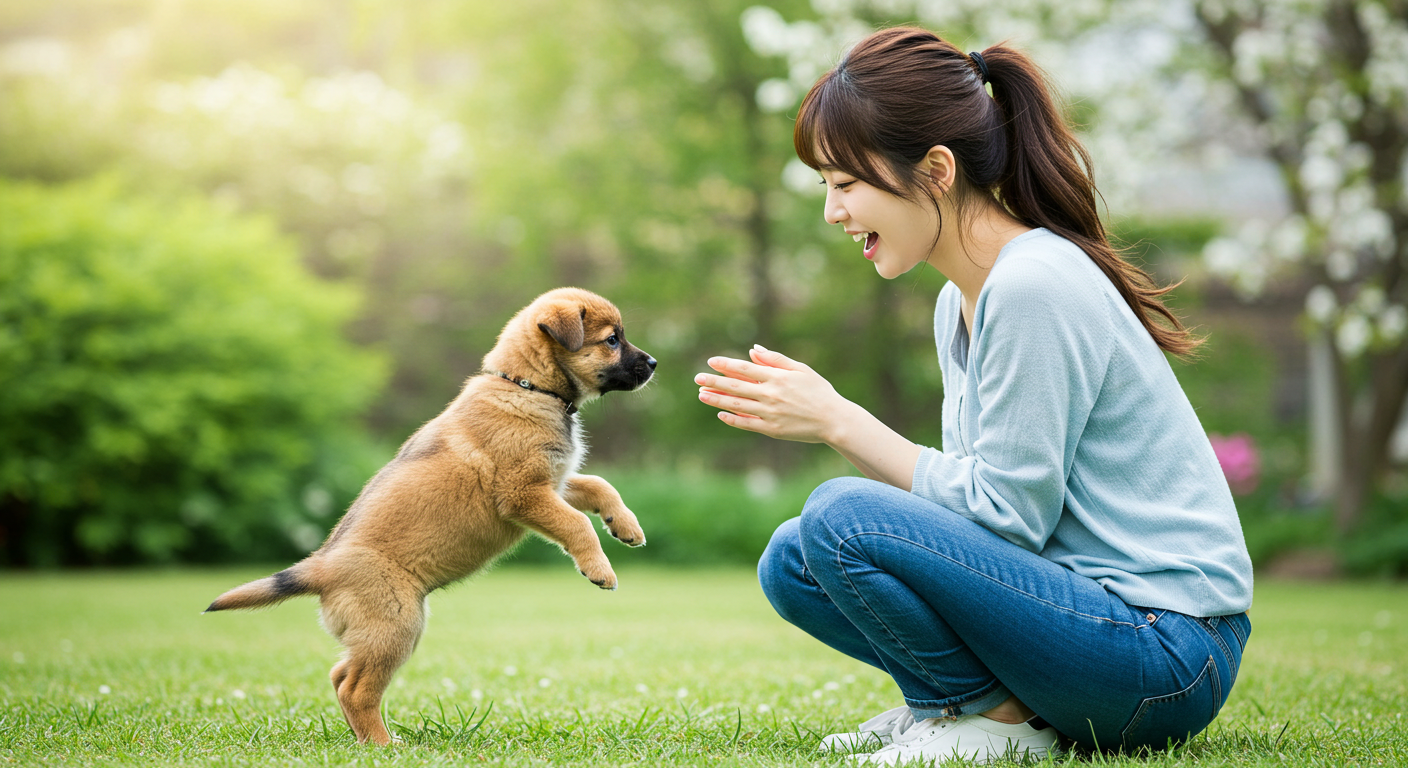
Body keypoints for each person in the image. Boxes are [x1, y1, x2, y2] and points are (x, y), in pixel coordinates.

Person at [693, 26, 1253, 766]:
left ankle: (995, 723)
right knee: (793, 560)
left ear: (935, 169)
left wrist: (839, 421)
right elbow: (985, 519)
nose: (832, 212)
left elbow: (1010, 516)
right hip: (1091, 623)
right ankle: (959, 706)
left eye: (845, 184)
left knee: (839, 514)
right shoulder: (962, 298)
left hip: (1166, 653)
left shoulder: (1032, 284)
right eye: (827, 186)